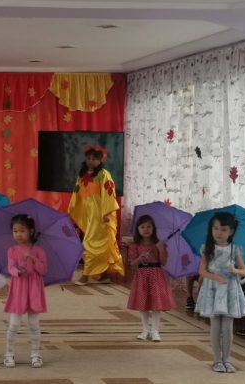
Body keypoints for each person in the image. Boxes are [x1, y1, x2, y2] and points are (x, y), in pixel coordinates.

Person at [194, 212, 245, 373]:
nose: (218, 232)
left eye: (223, 229)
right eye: (216, 228)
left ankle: (227, 359)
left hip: (230, 289)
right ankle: (217, 360)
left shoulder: (234, 249)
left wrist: (235, 270)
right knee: (215, 326)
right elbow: (202, 271)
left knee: (227, 327)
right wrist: (215, 277)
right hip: (212, 289)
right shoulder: (207, 248)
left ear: (231, 231)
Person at [67, 145, 123, 285]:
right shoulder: (83, 175)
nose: (91, 161)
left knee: (90, 243)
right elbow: (77, 193)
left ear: (100, 160)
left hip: (101, 216)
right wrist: (74, 208)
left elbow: (109, 194)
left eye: (94, 159)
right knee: (98, 244)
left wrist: (107, 213)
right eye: (88, 158)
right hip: (89, 216)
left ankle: (86, 275)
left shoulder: (103, 174)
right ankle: (103, 274)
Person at [3, 214, 48, 368]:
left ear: (31, 231)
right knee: (14, 324)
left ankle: (35, 354)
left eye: (22, 231)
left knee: (34, 324)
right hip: (19, 289)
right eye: (15, 231)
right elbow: (10, 267)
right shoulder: (12, 250)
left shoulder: (39, 251)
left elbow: (43, 270)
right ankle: (9, 354)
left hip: (34, 289)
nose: (18, 234)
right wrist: (18, 271)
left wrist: (34, 259)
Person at [125, 215, 175, 342]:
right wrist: (140, 257)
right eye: (142, 227)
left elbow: (163, 262)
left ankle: (155, 331)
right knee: (143, 304)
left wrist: (161, 249)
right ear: (138, 229)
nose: (146, 229)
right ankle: (145, 329)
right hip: (142, 275)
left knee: (156, 304)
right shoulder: (135, 245)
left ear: (153, 228)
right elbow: (132, 264)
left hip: (156, 275)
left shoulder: (159, 244)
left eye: (149, 226)